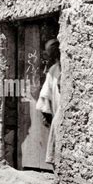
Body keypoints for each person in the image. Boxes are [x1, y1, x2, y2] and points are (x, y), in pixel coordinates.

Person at [36, 38, 61, 167]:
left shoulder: (58, 69)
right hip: (57, 113)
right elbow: (45, 96)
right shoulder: (53, 70)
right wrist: (46, 113)